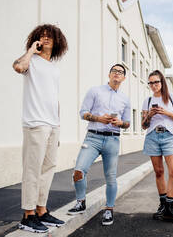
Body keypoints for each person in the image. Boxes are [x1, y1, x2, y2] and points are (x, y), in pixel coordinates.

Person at [12, 24, 68, 233]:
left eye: (49, 36)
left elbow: (54, 99)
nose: (45, 39)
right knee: (32, 171)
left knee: (48, 169)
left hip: (52, 125)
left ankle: (42, 210)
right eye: (42, 36)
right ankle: (28, 215)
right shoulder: (31, 61)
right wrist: (30, 51)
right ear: (36, 39)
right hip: (35, 123)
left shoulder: (54, 68)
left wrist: (58, 125)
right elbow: (18, 67)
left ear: (57, 41)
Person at [67, 64, 131, 226]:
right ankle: (81, 201)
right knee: (78, 171)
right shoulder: (95, 91)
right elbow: (83, 113)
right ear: (109, 74)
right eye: (114, 71)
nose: (117, 74)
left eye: (121, 72)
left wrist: (120, 122)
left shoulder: (125, 99)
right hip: (92, 138)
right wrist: (98, 118)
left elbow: (128, 123)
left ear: (124, 78)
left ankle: (109, 210)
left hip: (113, 139)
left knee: (111, 177)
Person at [141, 70, 173, 223]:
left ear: (162, 82)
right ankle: (163, 205)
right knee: (159, 172)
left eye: (156, 82)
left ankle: (170, 206)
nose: (153, 85)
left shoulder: (171, 97)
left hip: (169, 136)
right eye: (151, 82)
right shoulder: (147, 101)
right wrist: (150, 115)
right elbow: (143, 125)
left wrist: (165, 112)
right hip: (153, 136)